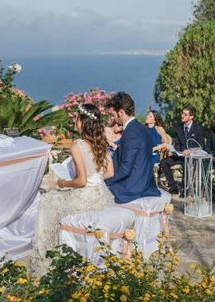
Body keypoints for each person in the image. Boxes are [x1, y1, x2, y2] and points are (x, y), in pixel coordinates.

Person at [31, 103, 114, 275]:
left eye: (76, 117)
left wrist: (63, 184)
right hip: (101, 194)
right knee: (53, 200)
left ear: (82, 121)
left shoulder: (77, 145)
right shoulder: (101, 143)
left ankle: (47, 258)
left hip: (86, 195)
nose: (74, 120)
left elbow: (82, 181)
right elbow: (110, 173)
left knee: (47, 201)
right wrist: (95, 178)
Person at [104, 92, 160, 204]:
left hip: (133, 187)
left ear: (121, 112)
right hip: (146, 183)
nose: (114, 118)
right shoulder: (142, 128)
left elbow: (125, 169)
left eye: (114, 115)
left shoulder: (130, 132)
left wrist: (105, 180)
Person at [159, 106, 206, 195]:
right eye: (182, 113)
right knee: (164, 162)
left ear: (191, 117)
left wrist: (190, 151)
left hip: (191, 157)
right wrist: (173, 150)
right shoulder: (178, 127)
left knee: (187, 164)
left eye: (185, 114)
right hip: (180, 155)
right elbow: (177, 144)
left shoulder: (199, 128)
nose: (182, 115)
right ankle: (173, 187)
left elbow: (201, 146)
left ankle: (186, 189)